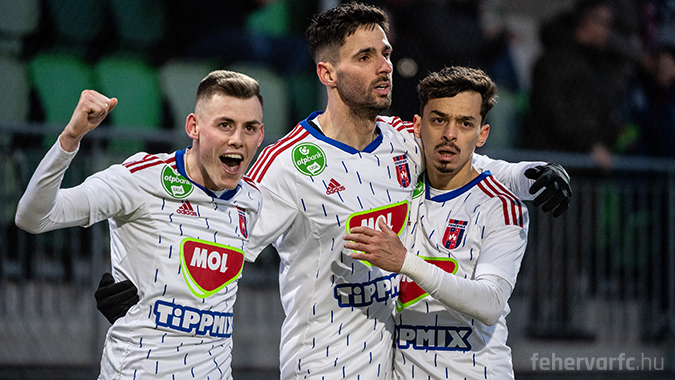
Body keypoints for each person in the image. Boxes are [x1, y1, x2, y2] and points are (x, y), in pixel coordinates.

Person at [95, 2, 572, 378]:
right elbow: (216, 232)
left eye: (385, 52)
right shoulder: (287, 165)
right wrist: (134, 281)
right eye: (365, 57)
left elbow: (474, 160)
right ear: (328, 74)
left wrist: (531, 175)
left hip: (392, 367)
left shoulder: (405, 141)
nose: (384, 66)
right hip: (320, 367)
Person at [15, 70, 265, 379]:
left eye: (249, 128)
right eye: (225, 125)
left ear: (261, 135)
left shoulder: (251, 200)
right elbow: (33, 217)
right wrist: (70, 138)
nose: (237, 139)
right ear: (194, 127)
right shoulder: (140, 178)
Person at [345, 66, 525, 379]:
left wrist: (406, 263)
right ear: (417, 125)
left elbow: (490, 303)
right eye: (439, 119)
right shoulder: (398, 190)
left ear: (482, 134)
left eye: (465, 123)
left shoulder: (501, 207)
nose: (450, 134)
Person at [525, 0, 634, 170]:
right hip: (556, 167)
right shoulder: (555, 61)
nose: (608, 32)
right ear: (587, 23)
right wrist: (590, 145)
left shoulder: (597, 64)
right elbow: (556, 112)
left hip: (582, 167)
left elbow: (599, 110)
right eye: (604, 24)